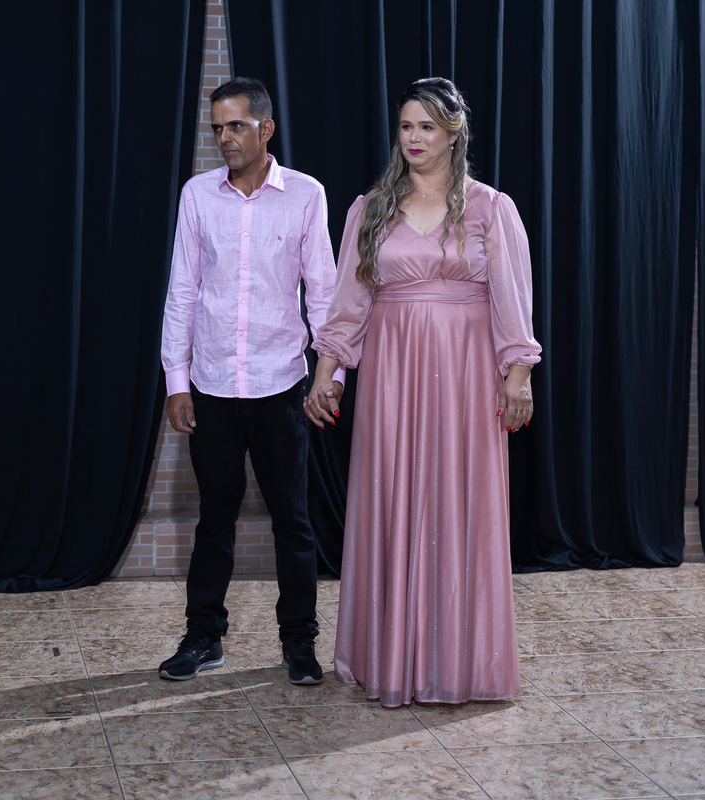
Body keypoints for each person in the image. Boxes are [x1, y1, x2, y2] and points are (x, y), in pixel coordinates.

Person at [305, 77, 541, 706]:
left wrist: (518, 373)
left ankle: (461, 663)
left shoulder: (491, 208)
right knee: (392, 497)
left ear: (453, 134)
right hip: (392, 373)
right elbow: (349, 301)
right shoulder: (371, 208)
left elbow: (512, 297)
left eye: (427, 127)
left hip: (467, 374)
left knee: (462, 504)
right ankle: (391, 658)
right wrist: (327, 372)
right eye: (407, 126)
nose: (414, 138)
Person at [158, 77, 343, 685]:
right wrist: (176, 380)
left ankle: (299, 641)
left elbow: (324, 292)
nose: (224, 138)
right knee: (214, 519)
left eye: (236, 125)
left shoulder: (306, 195)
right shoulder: (197, 195)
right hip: (211, 386)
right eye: (217, 128)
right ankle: (203, 636)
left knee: (293, 521)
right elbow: (183, 290)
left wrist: (330, 373)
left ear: (266, 129)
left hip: (281, 386)